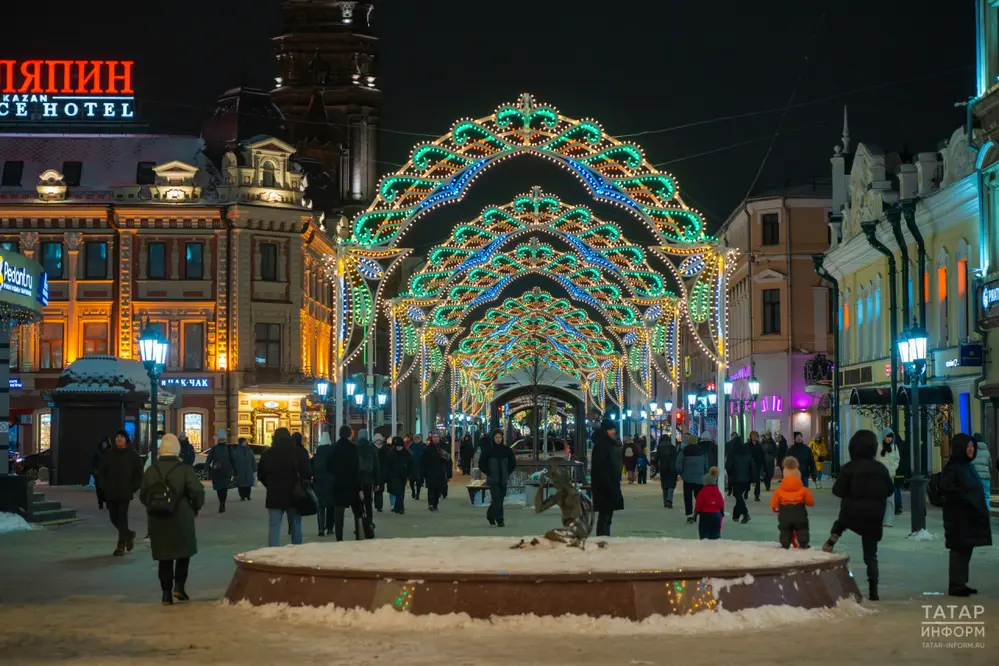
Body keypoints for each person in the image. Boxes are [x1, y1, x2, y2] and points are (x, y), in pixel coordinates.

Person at [822, 429, 894, 601]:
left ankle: (833, 538)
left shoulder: (849, 468)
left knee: (842, 520)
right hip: (874, 516)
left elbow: (838, 491)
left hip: (851, 513)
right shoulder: (880, 468)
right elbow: (889, 489)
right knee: (871, 555)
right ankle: (874, 590)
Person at [138, 433, 205, 605]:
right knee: (184, 552)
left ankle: (166, 593)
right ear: (177, 450)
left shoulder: (152, 470)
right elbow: (197, 491)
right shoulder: (184, 470)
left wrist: (153, 506)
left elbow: (143, 494)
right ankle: (179, 586)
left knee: (164, 556)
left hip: (158, 519)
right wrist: (195, 507)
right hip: (181, 516)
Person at [939, 433, 993, 597]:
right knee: (959, 552)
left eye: (972, 446)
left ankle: (961, 582)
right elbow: (950, 492)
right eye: (968, 446)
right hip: (959, 520)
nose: (971, 449)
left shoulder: (967, 466)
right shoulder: (954, 468)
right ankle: (956, 585)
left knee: (966, 551)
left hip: (968, 519)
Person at [258, 427, 311, 546]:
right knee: (296, 524)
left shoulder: (267, 454)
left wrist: (270, 485)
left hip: (274, 495)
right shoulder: (297, 452)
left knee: (274, 525)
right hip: (294, 494)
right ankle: (296, 550)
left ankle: (273, 551)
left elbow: (261, 474)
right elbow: (306, 472)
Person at [98, 429, 143, 556]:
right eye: (117, 437)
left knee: (122, 518)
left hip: (124, 492)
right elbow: (102, 471)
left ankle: (121, 545)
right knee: (113, 517)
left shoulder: (132, 455)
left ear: (126, 439)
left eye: (121, 437)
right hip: (111, 491)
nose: (119, 439)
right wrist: (103, 486)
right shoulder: (109, 454)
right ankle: (128, 534)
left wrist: (132, 487)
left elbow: (138, 473)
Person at [328, 425, 365, 540]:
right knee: (357, 512)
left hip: (338, 484)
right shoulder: (353, 448)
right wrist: (359, 488)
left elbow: (328, 466)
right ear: (350, 434)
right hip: (352, 484)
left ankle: (339, 538)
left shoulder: (333, 447)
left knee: (339, 513)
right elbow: (356, 468)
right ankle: (359, 535)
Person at [770, 457, 814, 549]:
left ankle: (785, 544)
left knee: (785, 530)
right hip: (799, 513)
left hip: (784, 513)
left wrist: (775, 507)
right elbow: (810, 502)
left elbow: (774, 503)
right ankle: (803, 543)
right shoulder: (804, 490)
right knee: (802, 528)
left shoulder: (779, 491)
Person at [590, 418, 623, 536]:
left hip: (609, 485)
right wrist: (608, 484)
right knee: (605, 516)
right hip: (605, 487)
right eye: (610, 429)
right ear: (604, 431)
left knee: (607, 516)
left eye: (614, 429)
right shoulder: (602, 446)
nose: (613, 432)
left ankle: (604, 537)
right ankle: (602, 538)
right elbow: (601, 468)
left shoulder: (607, 445)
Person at [479, 429, 516, 526]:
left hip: (503, 479)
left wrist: (507, 472)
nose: (498, 439)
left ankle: (490, 515)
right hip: (493, 479)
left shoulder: (507, 450)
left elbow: (512, 463)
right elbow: (481, 463)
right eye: (496, 437)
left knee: (501, 498)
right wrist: (489, 472)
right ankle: (500, 519)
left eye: (500, 437)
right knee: (496, 499)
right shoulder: (488, 450)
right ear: (493, 438)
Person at [676, 433, 709, 523]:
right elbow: (706, 467)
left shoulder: (683, 451)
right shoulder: (702, 452)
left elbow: (679, 465)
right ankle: (698, 513)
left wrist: (681, 473)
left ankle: (689, 514)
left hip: (687, 478)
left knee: (688, 497)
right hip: (699, 478)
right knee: (699, 497)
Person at [725, 433, 756, 524]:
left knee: (738, 496)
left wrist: (730, 475)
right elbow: (752, 466)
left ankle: (745, 514)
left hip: (736, 478)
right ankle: (736, 515)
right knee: (739, 496)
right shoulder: (747, 453)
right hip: (746, 478)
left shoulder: (732, 453)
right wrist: (753, 478)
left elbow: (728, 466)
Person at [311, 431, 336, 536]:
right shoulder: (333, 455)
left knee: (320, 508)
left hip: (319, 484)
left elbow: (311, 470)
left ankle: (321, 528)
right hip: (331, 484)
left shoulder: (316, 456)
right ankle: (330, 528)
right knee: (331, 507)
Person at [356, 430, 380, 537]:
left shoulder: (355, 448)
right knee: (368, 501)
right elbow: (376, 467)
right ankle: (369, 522)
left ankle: (359, 524)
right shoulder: (371, 449)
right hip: (368, 479)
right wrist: (377, 482)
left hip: (357, 480)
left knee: (358, 503)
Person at [876, 428, 901, 527]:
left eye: (891, 437)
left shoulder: (894, 447)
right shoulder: (878, 447)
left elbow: (896, 459)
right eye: (887, 436)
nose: (889, 439)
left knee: (890, 499)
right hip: (879, 476)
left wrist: (893, 468)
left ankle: (888, 520)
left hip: (890, 476)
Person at [205, 429, 233, 513]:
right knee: (220, 489)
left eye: (223, 439)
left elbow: (233, 459)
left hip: (223, 472)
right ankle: (222, 502)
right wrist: (206, 468)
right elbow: (209, 459)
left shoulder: (228, 448)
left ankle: (222, 503)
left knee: (223, 489)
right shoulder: (215, 449)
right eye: (221, 439)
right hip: (219, 472)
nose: (222, 440)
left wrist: (235, 470)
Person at [420, 433, 448, 512]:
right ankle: (431, 504)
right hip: (430, 472)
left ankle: (435, 503)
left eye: (436, 437)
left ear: (439, 438)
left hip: (440, 472)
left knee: (438, 489)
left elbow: (448, 459)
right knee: (431, 488)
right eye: (434, 437)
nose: (435, 438)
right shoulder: (428, 449)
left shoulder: (442, 448)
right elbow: (423, 461)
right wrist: (423, 472)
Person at [694, 467, 724, 540]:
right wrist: (721, 512)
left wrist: (695, 514)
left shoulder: (702, 492)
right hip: (717, 515)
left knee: (704, 535)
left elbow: (699, 504)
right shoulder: (717, 492)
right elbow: (721, 503)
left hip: (705, 515)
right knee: (716, 535)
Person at [385, 436, 413, 514]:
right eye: (398, 446)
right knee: (399, 492)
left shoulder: (406, 454)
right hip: (393, 476)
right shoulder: (391, 454)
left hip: (403, 476)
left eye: (400, 446)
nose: (399, 448)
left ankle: (398, 507)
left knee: (401, 492)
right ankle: (400, 507)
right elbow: (387, 466)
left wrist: (409, 474)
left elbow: (411, 464)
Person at [654, 434, 678, 508]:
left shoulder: (659, 448)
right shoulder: (673, 448)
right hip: (672, 468)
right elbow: (676, 459)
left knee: (664, 485)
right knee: (671, 484)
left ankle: (665, 501)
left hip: (663, 468)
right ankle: (669, 500)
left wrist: (656, 466)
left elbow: (656, 459)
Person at [971, 432, 992, 505]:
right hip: (985, 477)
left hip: (974, 477)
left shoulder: (972, 451)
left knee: (974, 495)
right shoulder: (987, 452)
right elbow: (990, 465)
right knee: (986, 495)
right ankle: (987, 510)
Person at [92, 436, 112, 510]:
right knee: (99, 489)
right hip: (99, 474)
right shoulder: (97, 451)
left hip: (107, 474)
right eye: (103, 443)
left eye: (106, 444)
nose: (104, 445)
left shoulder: (110, 451)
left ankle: (107, 503)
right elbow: (93, 462)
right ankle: (100, 503)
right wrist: (94, 471)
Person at [747, 431, 765, 501]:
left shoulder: (759, 445)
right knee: (748, 480)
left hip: (757, 465)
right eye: (753, 435)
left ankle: (757, 495)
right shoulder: (747, 445)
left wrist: (763, 465)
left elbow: (762, 456)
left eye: (756, 435)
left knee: (757, 480)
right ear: (750, 436)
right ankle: (746, 491)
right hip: (749, 465)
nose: (754, 437)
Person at [374, 433, 390, 512]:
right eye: (377, 440)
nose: (378, 442)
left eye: (379, 440)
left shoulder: (386, 449)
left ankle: (379, 505)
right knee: (376, 489)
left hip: (383, 471)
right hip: (375, 472)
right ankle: (378, 504)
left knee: (380, 489)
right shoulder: (372, 448)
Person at [409, 434, 427, 499]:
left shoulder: (423, 446)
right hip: (412, 466)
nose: (417, 439)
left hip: (420, 467)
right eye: (416, 438)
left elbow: (426, 456)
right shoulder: (411, 446)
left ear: (420, 439)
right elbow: (409, 455)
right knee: (411, 481)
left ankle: (417, 494)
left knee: (419, 482)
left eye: (418, 438)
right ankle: (413, 491)